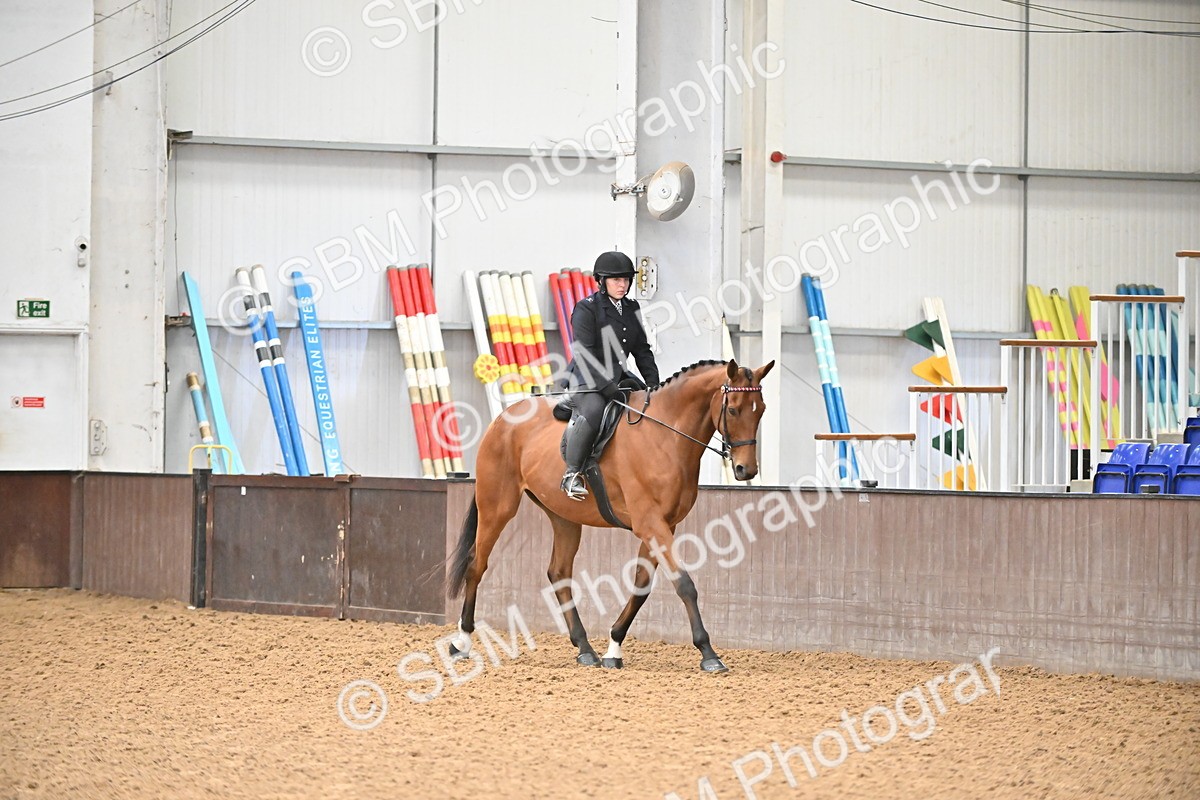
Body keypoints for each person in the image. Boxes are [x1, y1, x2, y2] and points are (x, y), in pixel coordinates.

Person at [560, 251, 660, 500]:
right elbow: (584, 354)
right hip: (586, 379)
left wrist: (655, 385)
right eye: (616, 280)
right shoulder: (587, 308)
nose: (622, 285)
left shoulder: (631, 307)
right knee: (594, 410)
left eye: (626, 280)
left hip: (618, 376)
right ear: (602, 282)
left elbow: (641, 350)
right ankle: (572, 474)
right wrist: (606, 388)